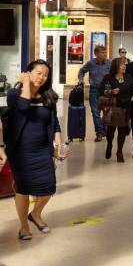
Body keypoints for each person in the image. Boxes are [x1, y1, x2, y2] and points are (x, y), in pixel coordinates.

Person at [2, 60, 65, 241]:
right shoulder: (14, 93)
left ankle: (35, 214)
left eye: (45, 75)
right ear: (28, 72)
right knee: (23, 188)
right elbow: (22, 107)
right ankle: (23, 226)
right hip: (20, 151)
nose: (41, 77)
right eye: (38, 73)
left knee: (49, 186)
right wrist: (26, 84)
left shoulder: (49, 96)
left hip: (42, 149)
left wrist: (58, 144)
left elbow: (54, 123)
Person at [100, 57, 133, 163]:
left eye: (125, 64)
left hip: (126, 108)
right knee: (111, 131)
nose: (124, 66)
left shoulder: (128, 77)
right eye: (122, 64)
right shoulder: (108, 77)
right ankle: (109, 145)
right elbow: (101, 90)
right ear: (116, 66)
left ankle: (119, 151)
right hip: (113, 108)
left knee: (122, 131)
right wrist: (111, 91)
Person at [78, 44, 111, 142]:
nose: (105, 54)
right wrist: (81, 79)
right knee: (95, 112)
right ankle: (99, 133)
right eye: (102, 52)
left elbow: (115, 73)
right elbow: (81, 71)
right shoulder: (91, 63)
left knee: (106, 112)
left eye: (105, 52)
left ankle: (103, 128)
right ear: (96, 54)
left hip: (106, 91)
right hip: (94, 91)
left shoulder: (109, 63)